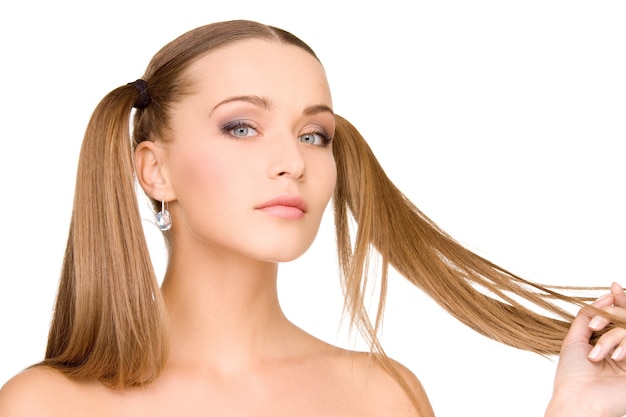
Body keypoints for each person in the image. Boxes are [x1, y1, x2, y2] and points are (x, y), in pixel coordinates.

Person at [0, 19, 624, 417]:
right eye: (240, 126)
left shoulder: (381, 396)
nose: (291, 162)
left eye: (314, 135)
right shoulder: (44, 405)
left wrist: (578, 411)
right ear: (155, 170)